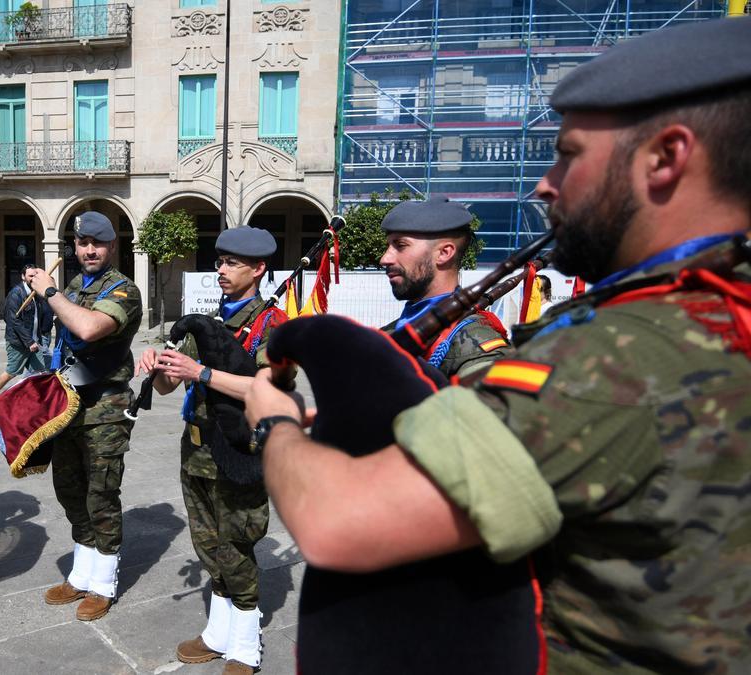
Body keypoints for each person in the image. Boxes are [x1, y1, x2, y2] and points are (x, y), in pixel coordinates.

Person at [244, 17, 751, 673]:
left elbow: (339, 519)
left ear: (666, 157)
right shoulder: (716, 316)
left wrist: (273, 424)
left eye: (568, 153)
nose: (545, 182)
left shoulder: (615, 358)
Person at [136, 227, 280, 674]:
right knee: (208, 545)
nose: (221, 269)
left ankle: (245, 645)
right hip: (195, 449)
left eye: (233, 263)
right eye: (219, 261)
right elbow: (166, 387)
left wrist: (201, 372)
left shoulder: (272, 326)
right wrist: (159, 364)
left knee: (236, 547)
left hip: (239, 449)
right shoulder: (208, 322)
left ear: (258, 269)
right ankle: (219, 633)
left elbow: (266, 388)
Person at [27, 211, 142, 622]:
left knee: (101, 495)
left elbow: (91, 328)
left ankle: (105, 583)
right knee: (70, 490)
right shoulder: (76, 284)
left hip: (105, 408)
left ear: (112, 247)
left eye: (98, 243)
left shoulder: (124, 289)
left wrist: (51, 292)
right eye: (82, 243)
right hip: (68, 405)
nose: (89, 250)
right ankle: (82, 573)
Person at [379, 196, 513, 378]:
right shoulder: (388, 334)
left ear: (444, 253)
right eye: (388, 246)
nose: (385, 259)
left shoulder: (477, 348)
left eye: (400, 245)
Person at [0, 264, 53, 409]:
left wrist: (37, 338)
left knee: (40, 371)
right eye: (30, 276)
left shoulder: (35, 293)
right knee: (12, 371)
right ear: (23, 276)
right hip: (19, 343)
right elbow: (12, 320)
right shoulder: (16, 294)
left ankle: (38, 401)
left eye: (35, 276)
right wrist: (28, 341)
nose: (33, 279)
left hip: (34, 341)